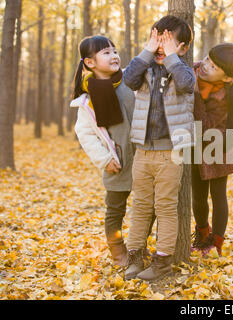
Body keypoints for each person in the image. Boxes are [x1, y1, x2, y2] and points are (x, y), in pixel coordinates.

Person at [122, 15, 195, 281]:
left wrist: (173, 57)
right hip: (142, 152)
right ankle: (134, 257)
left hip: (170, 153)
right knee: (140, 206)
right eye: (157, 39)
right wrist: (147, 51)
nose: (161, 47)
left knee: (165, 207)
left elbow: (187, 85)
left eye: (168, 42)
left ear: (183, 48)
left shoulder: (183, 70)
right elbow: (128, 80)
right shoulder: (145, 67)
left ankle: (162, 262)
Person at [70, 35, 150, 267]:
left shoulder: (129, 80)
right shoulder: (88, 100)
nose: (114, 55)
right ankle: (118, 252)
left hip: (143, 158)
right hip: (118, 162)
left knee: (149, 207)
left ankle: (139, 247)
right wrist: (104, 159)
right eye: (106, 52)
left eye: (114, 50)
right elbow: (85, 134)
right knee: (115, 211)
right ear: (90, 62)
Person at [191, 43, 233, 256]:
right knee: (197, 195)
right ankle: (202, 232)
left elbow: (206, 125)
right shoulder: (196, 72)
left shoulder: (225, 94)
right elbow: (194, 66)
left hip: (218, 145)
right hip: (196, 147)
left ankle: (216, 241)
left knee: (218, 194)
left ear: (226, 78)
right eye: (207, 60)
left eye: (213, 67)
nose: (206, 66)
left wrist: (194, 99)